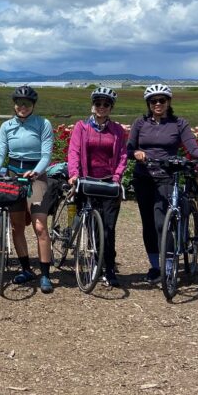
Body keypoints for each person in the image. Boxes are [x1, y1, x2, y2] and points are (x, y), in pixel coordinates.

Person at [127, 84, 198, 282]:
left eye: (162, 100)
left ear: (169, 102)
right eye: (154, 101)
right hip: (144, 177)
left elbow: (192, 148)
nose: (158, 104)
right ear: (148, 104)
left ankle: (169, 266)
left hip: (167, 176)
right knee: (149, 224)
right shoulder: (140, 123)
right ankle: (155, 266)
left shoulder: (179, 124)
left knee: (162, 222)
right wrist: (136, 153)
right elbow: (128, 149)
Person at [0, 86, 56, 292]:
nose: (23, 107)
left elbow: (46, 155)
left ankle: (45, 274)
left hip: (37, 176)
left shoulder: (43, 124)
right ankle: (26, 269)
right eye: (19, 103)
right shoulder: (6, 126)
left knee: (40, 226)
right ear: (14, 105)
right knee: (17, 226)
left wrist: (36, 172)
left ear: (33, 105)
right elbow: (0, 153)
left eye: (27, 104)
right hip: (14, 176)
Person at [66, 87, 128, 287]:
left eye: (106, 104)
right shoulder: (82, 127)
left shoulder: (117, 130)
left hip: (109, 183)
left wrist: (117, 176)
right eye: (98, 103)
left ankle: (109, 269)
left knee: (108, 228)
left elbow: (123, 155)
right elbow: (73, 151)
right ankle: (95, 264)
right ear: (93, 105)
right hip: (86, 181)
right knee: (91, 226)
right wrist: (74, 174)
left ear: (111, 107)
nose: (102, 107)